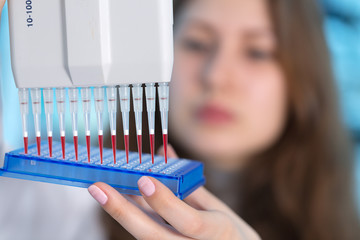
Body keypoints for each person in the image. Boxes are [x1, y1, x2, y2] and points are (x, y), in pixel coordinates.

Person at [89, 0, 360, 239]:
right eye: (197, 43)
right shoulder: (71, 212)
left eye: (257, 52)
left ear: (304, 82)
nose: (216, 76)